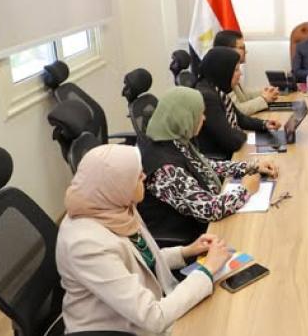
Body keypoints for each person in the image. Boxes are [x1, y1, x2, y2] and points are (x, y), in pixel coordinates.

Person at [56, 144, 232, 335]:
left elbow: (138, 260)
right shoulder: (86, 244)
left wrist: (186, 251)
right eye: (136, 175)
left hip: (147, 308)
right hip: (122, 329)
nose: (144, 176)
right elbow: (152, 317)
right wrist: (207, 270)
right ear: (117, 184)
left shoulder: (116, 207)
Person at [139, 86, 278, 244]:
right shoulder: (165, 167)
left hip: (203, 221)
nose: (204, 118)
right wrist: (246, 190)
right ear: (184, 118)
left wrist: (251, 166)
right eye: (199, 114)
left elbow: (207, 166)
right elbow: (208, 209)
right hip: (190, 235)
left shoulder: (174, 140)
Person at [196, 47, 280, 160]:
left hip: (233, 150)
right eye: (236, 70)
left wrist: (264, 124)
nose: (240, 74)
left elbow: (239, 118)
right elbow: (229, 140)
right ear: (222, 70)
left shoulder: (217, 88)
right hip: (223, 158)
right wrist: (248, 137)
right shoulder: (208, 97)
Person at [213, 30, 279, 116]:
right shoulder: (221, 73)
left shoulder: (229, 68)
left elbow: (243, 96)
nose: (246, 51)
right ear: (227, 50)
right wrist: (264, 99)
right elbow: (236, 110)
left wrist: (264, 92)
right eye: (242, 48)